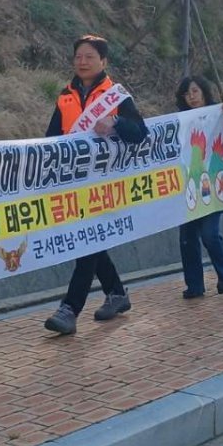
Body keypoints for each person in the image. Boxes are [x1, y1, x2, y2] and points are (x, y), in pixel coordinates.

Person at [44, 35, 148, 334]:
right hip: (73, 183)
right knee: (91, 240)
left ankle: (69, 309)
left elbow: (140, 132)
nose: (82, 62)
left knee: (88, 241)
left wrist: (116, 122)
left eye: (89, 57)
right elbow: (52, 137)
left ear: (103, 61)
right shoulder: (65, 95)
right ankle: (116, 293)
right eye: (78, 56)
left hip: (105, 184)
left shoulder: (116, 96)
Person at [175, 75, 223, 297]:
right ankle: (194, 285)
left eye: (195, 91)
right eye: (187, 93)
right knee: (187, 238)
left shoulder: (220, 115)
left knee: (209, 234)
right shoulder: (180, 120)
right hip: (190, 184)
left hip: (216, 181)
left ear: (204, 92)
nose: (191, 97)